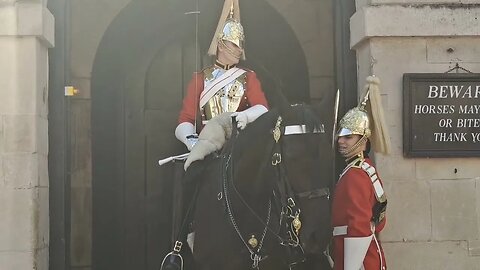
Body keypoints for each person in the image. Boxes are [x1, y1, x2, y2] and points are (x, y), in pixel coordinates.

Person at [175, 0, 268, 151]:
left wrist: (246, 116)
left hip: (240, 145)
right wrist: (190, 140)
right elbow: (186, 119)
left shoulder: (248, 77)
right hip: (208, 144)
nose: (239, 49)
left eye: (241, 44)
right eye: (234, 44)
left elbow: (262, 107)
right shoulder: (200, 78)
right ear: (220, 45)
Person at [330, 76, 391, 270]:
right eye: (340, 136)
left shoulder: (355, 175)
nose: (341, 141)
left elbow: (359, 224)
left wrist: (351, 266)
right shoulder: (365, 167)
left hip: (358, 259)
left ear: (363, 140)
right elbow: (379, 218)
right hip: (367, 253)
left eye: (348, 137)